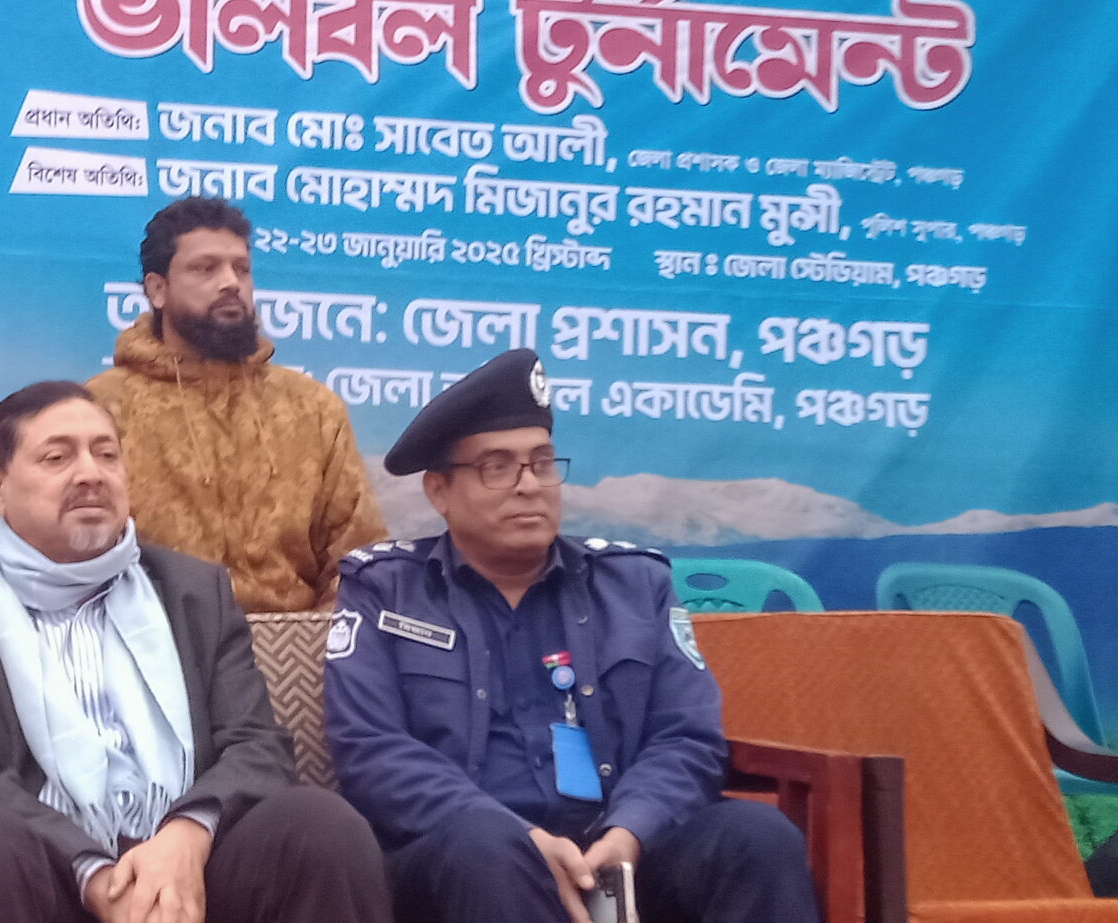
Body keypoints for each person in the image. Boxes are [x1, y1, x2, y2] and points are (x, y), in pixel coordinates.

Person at [323, 348, 817, 923]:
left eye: (542, 462)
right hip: (464, 859)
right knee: (486, 848)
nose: (529, 485)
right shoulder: (386, 590)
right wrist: (523, 837)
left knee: (756, 836)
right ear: (439, 491)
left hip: (619, 853)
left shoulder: (635, 586)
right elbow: (371, 749)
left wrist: (631, 832)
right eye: (497, 467)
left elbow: (686, 737)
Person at [0, 380, 392, 923]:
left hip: (187, 871)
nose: (90, 473)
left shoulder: (193, 590)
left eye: (107, 455)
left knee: (320, 825)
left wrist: (187, 834)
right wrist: (94, 874)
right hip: (37, 873)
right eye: (57, 458)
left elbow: (256, 746)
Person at [88, 197, 386, 613]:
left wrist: (314, 640)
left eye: (241, 269)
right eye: (205, 268)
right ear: (157, 290)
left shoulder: (311, 409)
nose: (231, 282)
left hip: (298, 641)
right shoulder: (101, 409)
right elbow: (78, 560)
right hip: (151, 640)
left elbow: (358, 561)